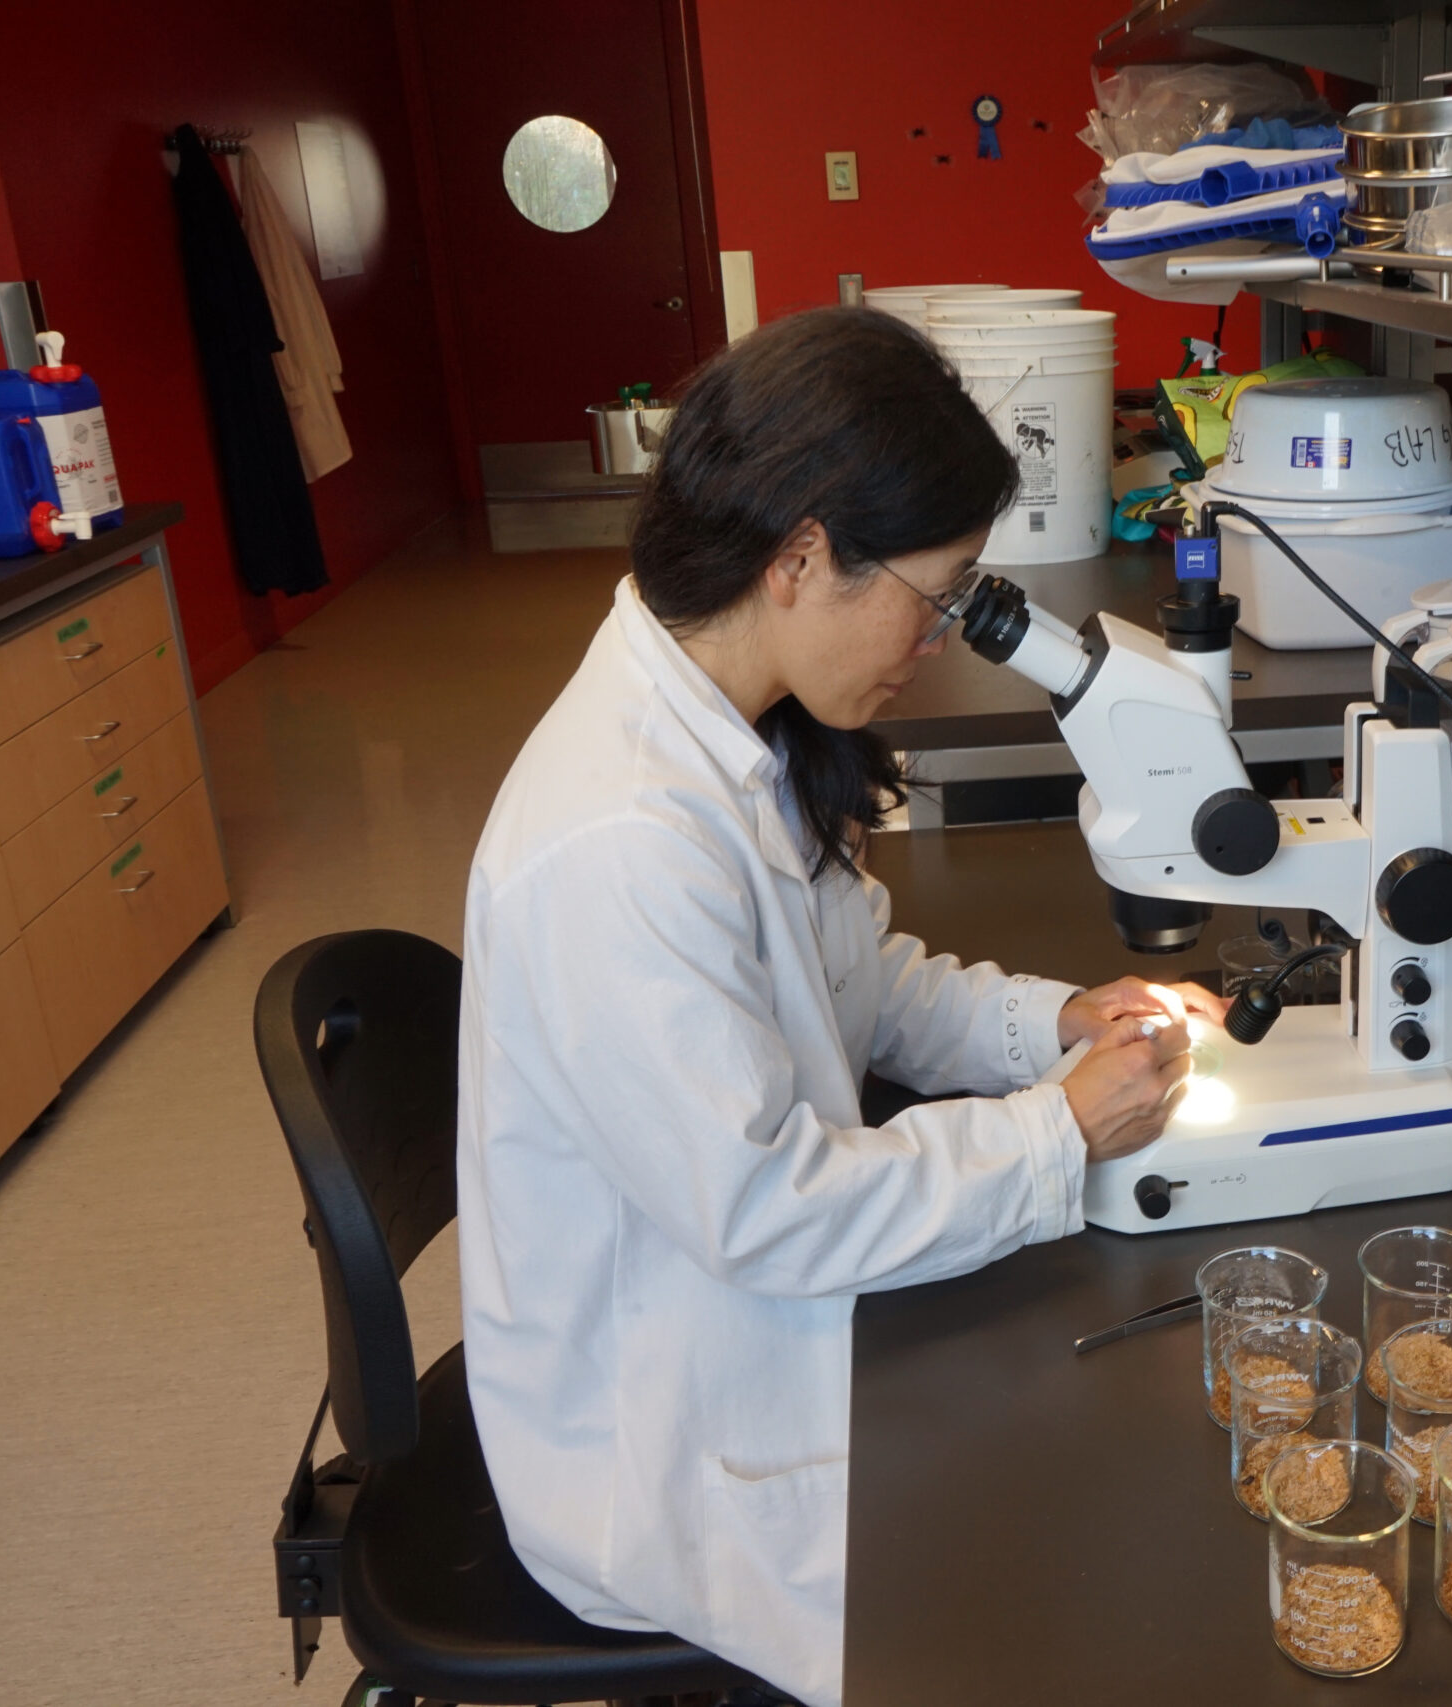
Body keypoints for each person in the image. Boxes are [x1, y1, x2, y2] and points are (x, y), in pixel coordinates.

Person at [457, 307, 1225, 1707]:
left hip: (739, 1298)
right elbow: (772, 1210)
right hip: (664, 1437)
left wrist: (1056, 1022)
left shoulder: (736, 723)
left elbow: (856, 986)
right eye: (937, 594)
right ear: (804, 556)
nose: (942, 638)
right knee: (1083, 1557)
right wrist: (1055, 1139)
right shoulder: (618, 840)